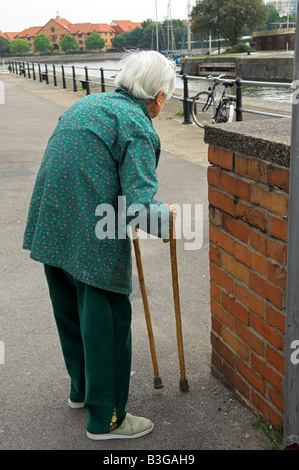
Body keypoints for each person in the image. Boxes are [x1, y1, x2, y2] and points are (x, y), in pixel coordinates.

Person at [22, 51, 177, 440]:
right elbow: (140, 208)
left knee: (72, 313)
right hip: (90, 230)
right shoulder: (138, 125)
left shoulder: (90, 103)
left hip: (52, 222)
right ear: (159, 96)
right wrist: (171, 219)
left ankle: (82, 391)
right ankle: (107, 419)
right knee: (106, 322)